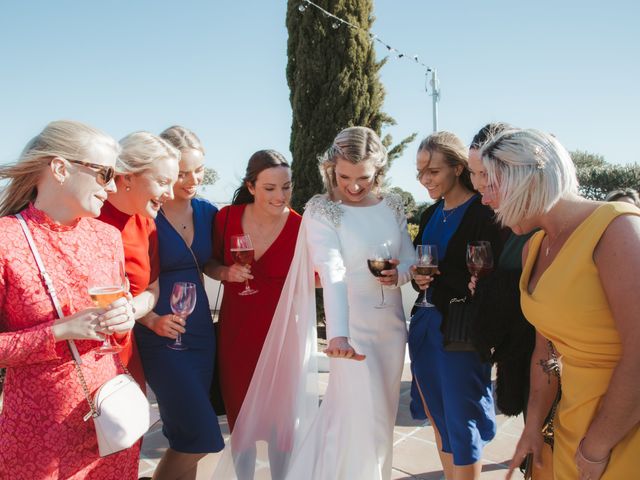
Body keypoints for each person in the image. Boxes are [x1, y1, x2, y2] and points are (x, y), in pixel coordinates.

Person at [214, 126, 415, 480]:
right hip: (350, 331)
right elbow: (332, 272)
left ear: (378, 171)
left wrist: (400, 275)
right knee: (353, 419)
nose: (353, 186)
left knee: (382, 420)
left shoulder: (393, 205)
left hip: (392, 329)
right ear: (331, 170)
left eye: (364, 178)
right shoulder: (322, 210)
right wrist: (338, 336)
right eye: (344, 177)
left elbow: (410, 259)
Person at [478, 129, 640, 480]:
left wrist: (598, 446)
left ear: (527, 180)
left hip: (622, 430)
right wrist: (533, 425)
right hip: (569, 425)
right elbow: (545, 349)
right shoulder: (533, 247)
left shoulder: (617, 228)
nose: (486, 200)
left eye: (492, 186)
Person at [0, 120, 138, 478]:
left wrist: (123, 323)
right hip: (39, 437)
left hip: (109, 426)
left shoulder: (108, 237)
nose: (111, 187)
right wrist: (58, 332)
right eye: (104, 173)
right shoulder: (5, 240)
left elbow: (114, 334)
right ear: (60, 168)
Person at [132, 126, 224, 479]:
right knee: (200, 437)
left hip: (200, 330)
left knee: (186, 436)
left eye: (198, 170)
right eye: (182, 172)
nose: (191, 180)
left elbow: (209, 262)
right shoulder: (145, 212)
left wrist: (226, 271)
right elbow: (122, 276)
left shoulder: (207, 211)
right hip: (158, 332)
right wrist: (149, 318)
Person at [409, 131, 503, 480]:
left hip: (461, 330)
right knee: (437, 416)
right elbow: (420, 260)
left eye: (433, 171)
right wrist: (417, 277)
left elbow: (489, 271)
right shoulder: (431, 212)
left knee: (462, 423)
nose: (424, 179)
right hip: (424, 326)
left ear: (458, 167)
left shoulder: (482, 211)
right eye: (420, 171)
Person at [209, 149, 301, 479]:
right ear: (251, 187)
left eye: (286, 187)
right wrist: (224, 273)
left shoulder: (300, 227)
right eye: (270, 188)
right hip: (237, 337)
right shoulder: (226, 218)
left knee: (282, 426)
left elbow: (313, 277)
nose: (280, 196)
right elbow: (210, 263)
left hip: (281, 339)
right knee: (242, 423)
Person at [98, 131, 179, 390]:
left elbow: (151, 289)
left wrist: (131, 313)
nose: (170, 194)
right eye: (163, 182)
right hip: (84, 353)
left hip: (124, 351)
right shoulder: (87, 216)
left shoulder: (147, 224)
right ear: (128, 175)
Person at [467, 123, 536, 417]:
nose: (479, 186)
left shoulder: (540, 223)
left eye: (485, 173)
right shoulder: (497, 215)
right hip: (522, 357)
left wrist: (489, 287)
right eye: (473, 173)